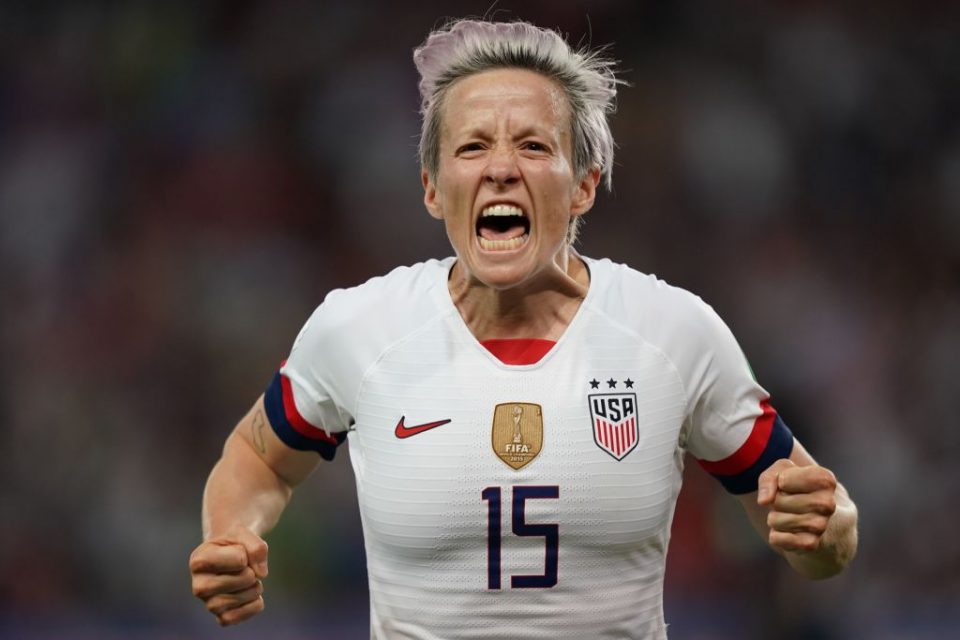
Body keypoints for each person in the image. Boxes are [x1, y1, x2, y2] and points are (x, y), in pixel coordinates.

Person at [189, 18, 858, 639]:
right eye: (473, 146)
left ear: (584, 185)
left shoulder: (675, 334)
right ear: (431, 186)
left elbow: (820, 530)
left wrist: (822, 534)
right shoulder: (359, 329)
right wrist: (229, 534)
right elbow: (256, 459)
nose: (500, 167)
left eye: (533, 146)